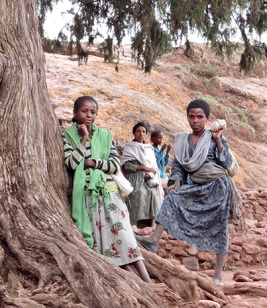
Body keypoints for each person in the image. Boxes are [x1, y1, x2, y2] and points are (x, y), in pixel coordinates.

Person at [136, 99, 235, 285]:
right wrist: (176, 181)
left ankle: (218, 274)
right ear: (187, 117)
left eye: (200, 117)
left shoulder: (215, 138)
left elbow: (226, 163)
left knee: (220, 229)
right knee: (172, 197)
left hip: (217, 188)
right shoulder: (182, 140)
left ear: (207, 118)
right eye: (191, 116)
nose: (195, 120)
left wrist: (217, 140)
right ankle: (153, 240)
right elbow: (179, 166)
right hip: (196, 186)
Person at [63, 96, 151, 283]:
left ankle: (147, 281)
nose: (88, 115)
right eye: (84, 111)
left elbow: (113, 165)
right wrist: (84, 139)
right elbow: (71, 163)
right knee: (106, 243)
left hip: (109, 193)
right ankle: (129, 281)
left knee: (125, 237)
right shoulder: (67, 136)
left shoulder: (106, 135)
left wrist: (92, 162)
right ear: (75, 112)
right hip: (86, 196)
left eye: (92, 112)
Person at [121, 123, 164, 232]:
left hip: (148, 177)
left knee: (153, 192)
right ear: (134, 133)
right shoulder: (130, 147)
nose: (141, 134)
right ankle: (133, 222)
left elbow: (154, 166)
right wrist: (143, 168)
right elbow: (126, 165)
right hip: (134, 176)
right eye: (138, 131)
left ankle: (153, 223)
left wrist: (150, 173)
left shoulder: (148, 148)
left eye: (143, 131)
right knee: (138, 193)